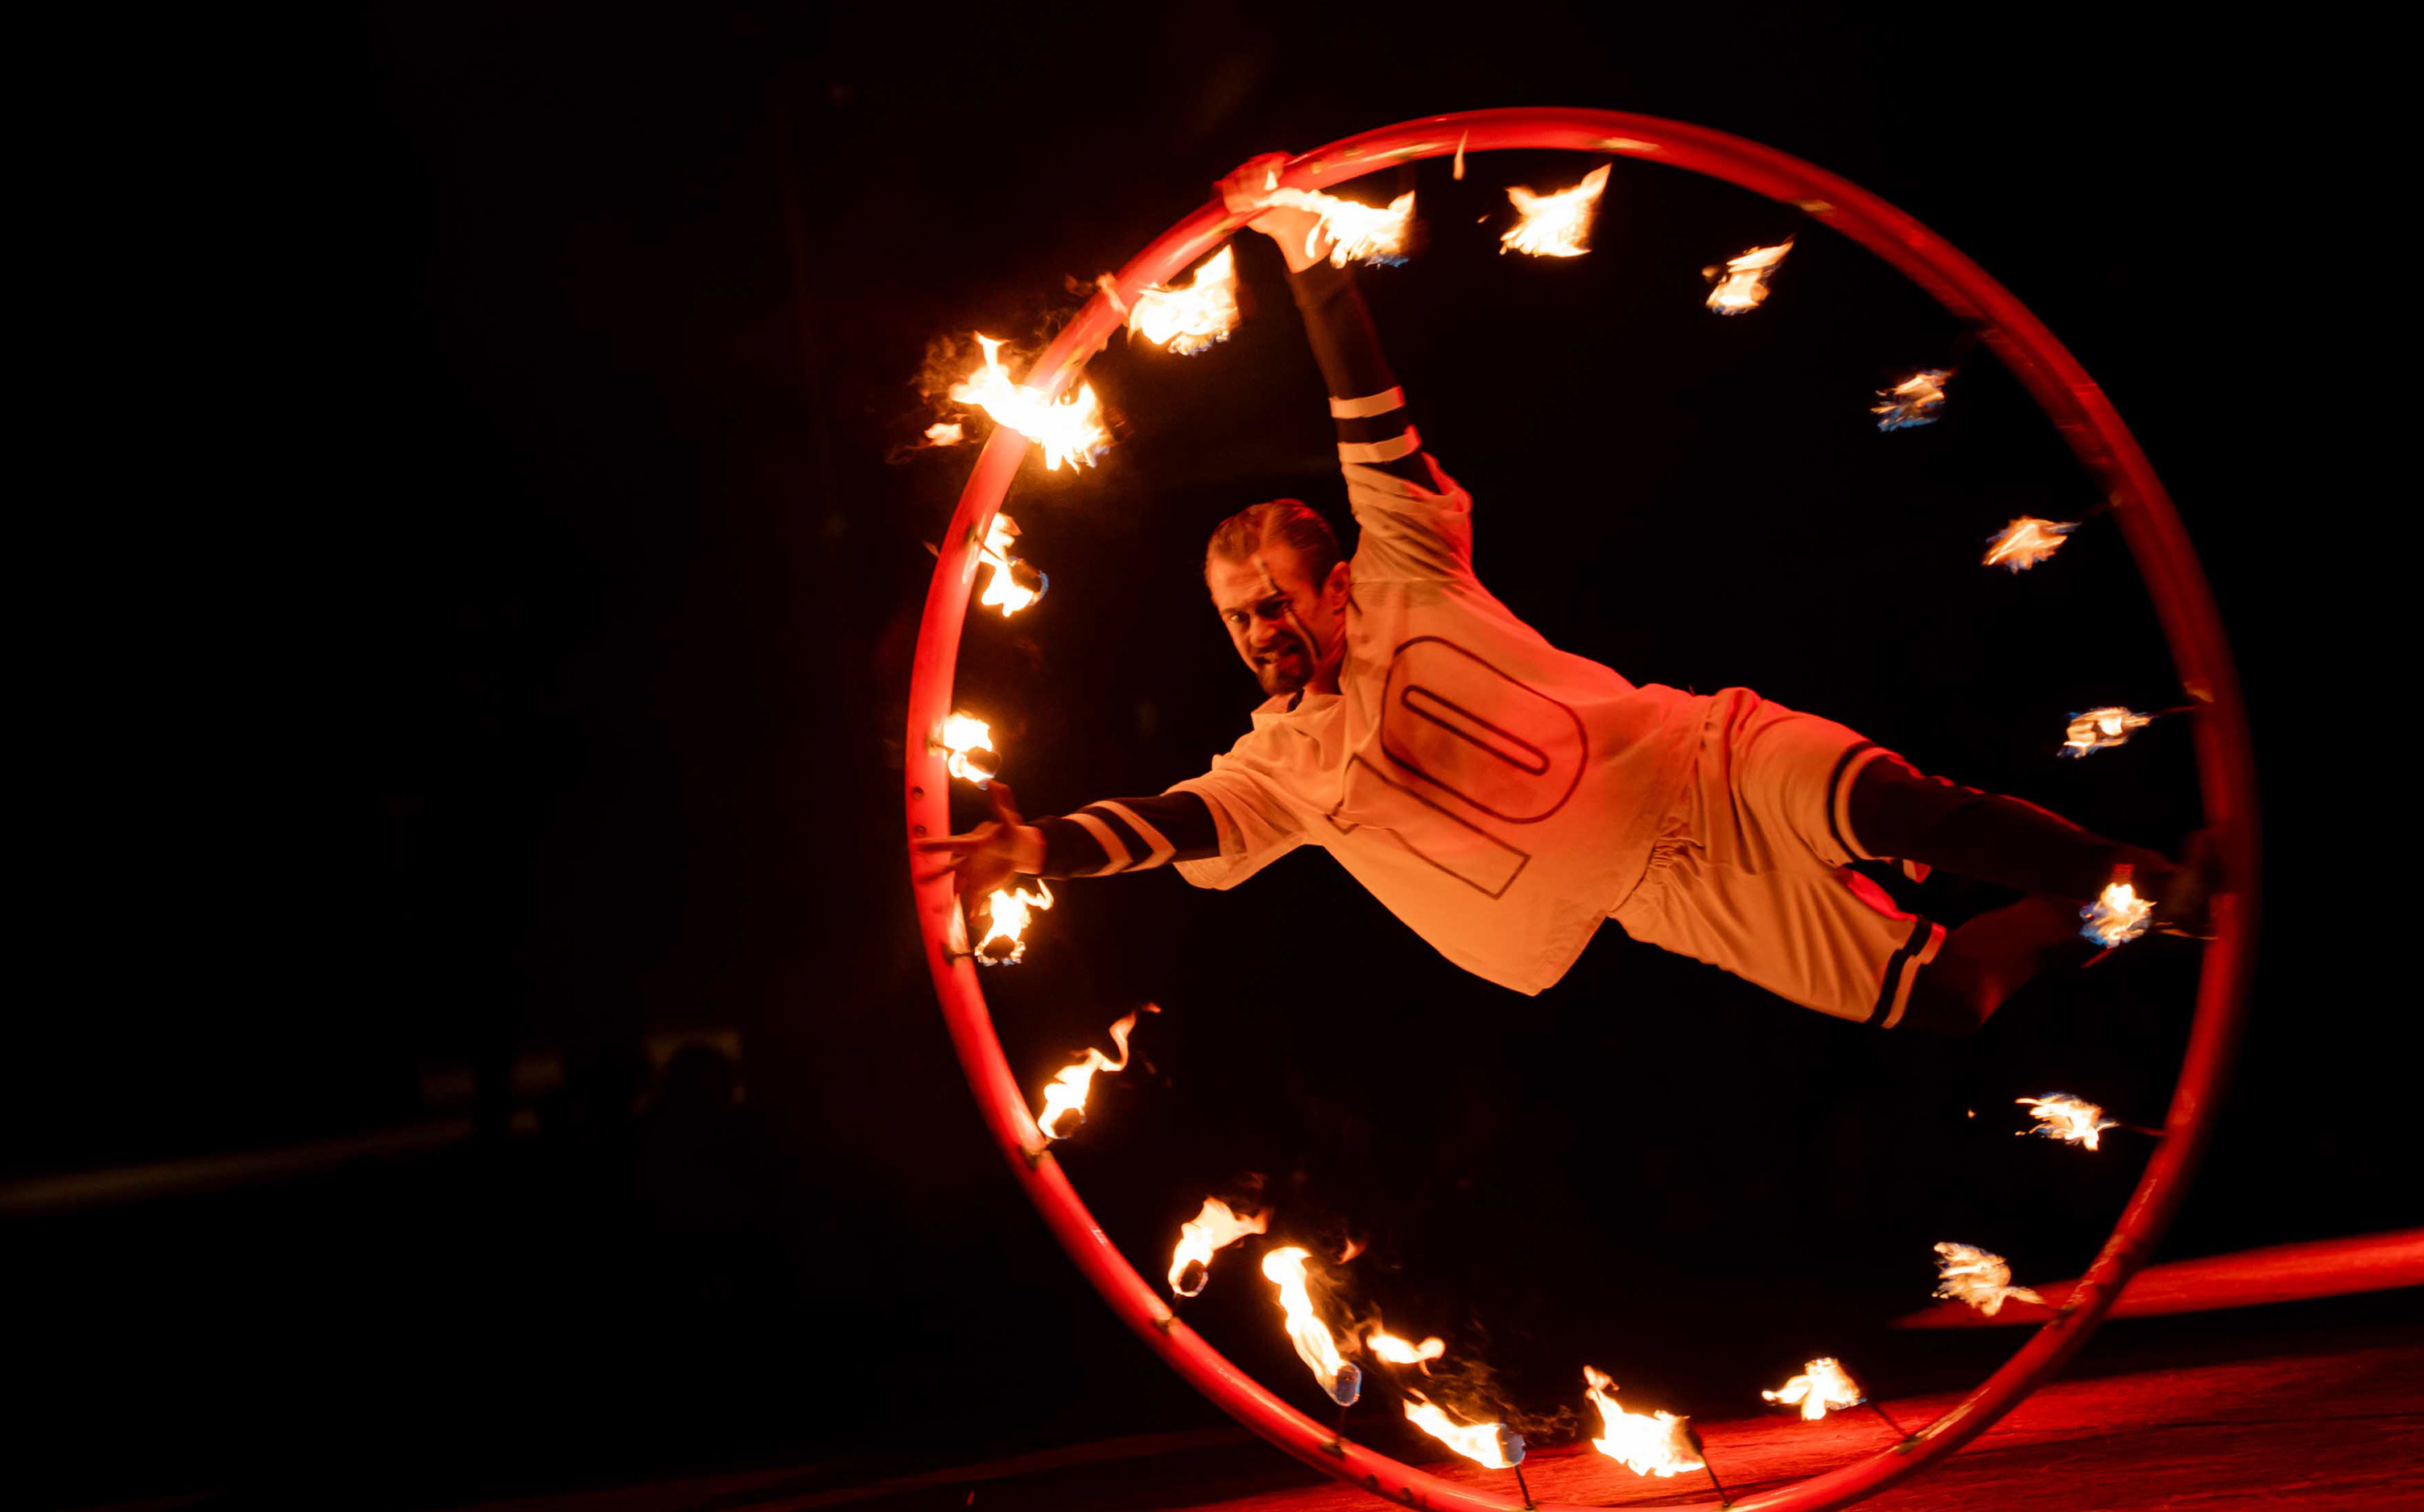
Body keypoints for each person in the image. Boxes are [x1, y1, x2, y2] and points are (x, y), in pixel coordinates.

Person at [920, 163, 2207, 1036]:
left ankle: (2156, 879)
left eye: (1275, 599)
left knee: (1909, 809)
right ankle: (2099, 911)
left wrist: (1305, 248)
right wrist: (1038, 850)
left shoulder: (1408, 571)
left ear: (1341, 581)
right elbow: (1171, 824)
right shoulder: (1283, 771)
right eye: (1238, 617)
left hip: (1706, 760)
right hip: (1669, 897)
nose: (1262, 630)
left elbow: (1369, 414)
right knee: (1951, 998)